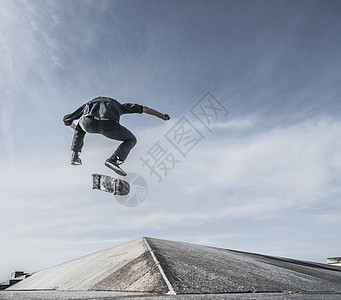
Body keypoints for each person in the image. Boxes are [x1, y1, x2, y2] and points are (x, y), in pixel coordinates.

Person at [63, 96, 170, 176]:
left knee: (80, 126)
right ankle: (113, 160)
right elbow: (144, 109)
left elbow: (67, 119)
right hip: (109, 125)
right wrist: (162, 116)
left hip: (88, 122)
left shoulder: (89, 104)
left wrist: (76, 128)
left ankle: (75, 156)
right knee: (131, 139)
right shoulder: (120, 106)